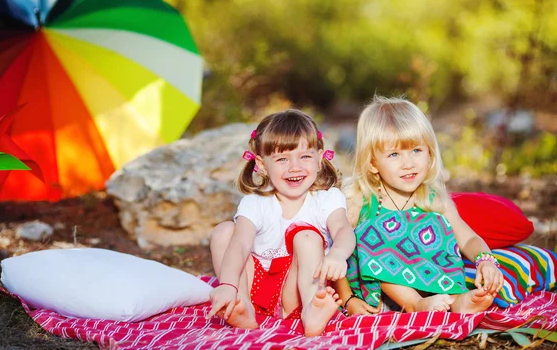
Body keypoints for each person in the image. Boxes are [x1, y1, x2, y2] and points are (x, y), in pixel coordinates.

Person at [336, 96, 504, 314]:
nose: (408, 163)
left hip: (429, 291)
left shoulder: (432, 198)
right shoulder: (359, 199)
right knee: (373, 230)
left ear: (430, 153)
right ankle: (414, 304)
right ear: (373, 163)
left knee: (435, 224)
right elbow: (335, 250)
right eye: (394, 154)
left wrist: (486, 261)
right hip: (374, 295)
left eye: (416, 150)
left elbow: (467, 237)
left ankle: (454, 300)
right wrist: (347, 299)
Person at [206, 109, 356, 336]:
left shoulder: (327, 199)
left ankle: (311, 313)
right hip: (256, 289)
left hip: (300, 290)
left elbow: (343, 229)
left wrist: (337, 254)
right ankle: (241, 305)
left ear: (319, 158)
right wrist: (227, 284)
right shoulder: (255, 203)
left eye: (305, 156)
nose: (294, 167)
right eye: (282, 159)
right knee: (224, 231)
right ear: (262, 165)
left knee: (307, 236)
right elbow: (240, 244)